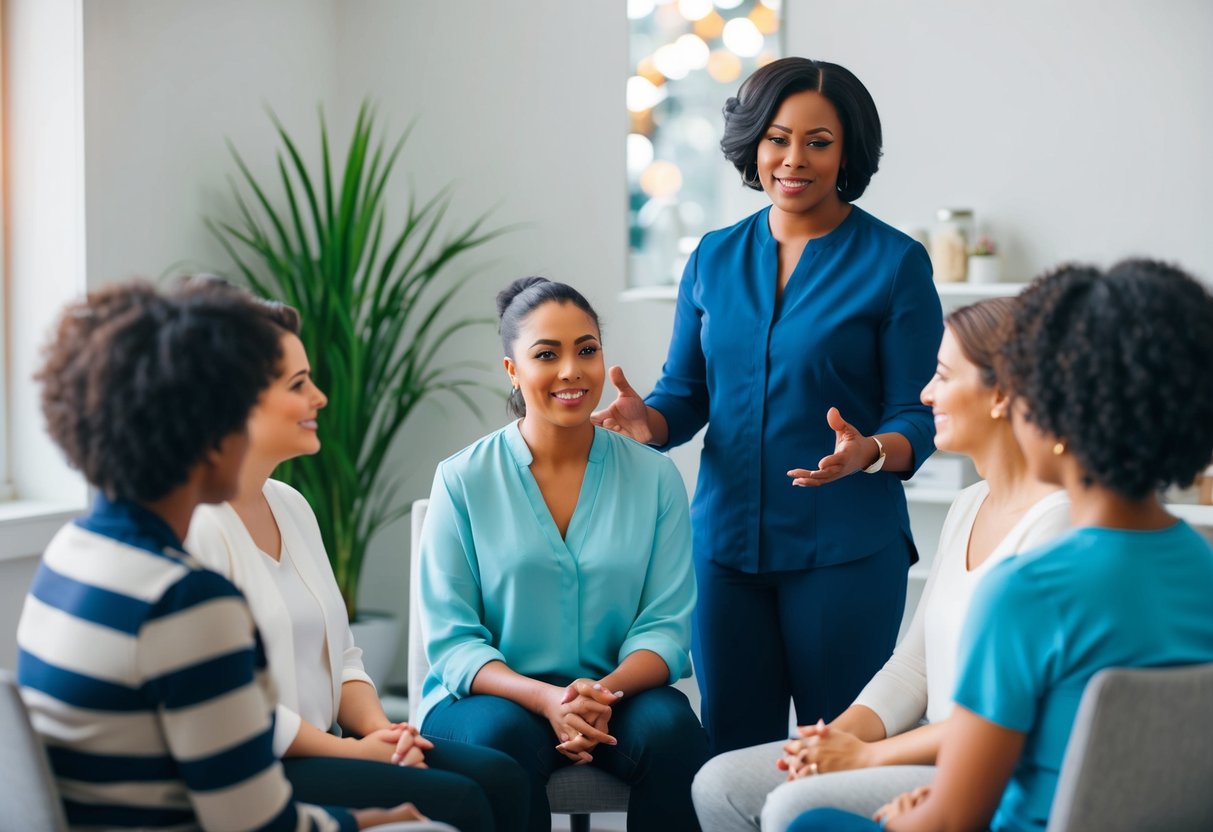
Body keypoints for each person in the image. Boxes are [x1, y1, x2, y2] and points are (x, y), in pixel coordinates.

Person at [594, 56, 943, 754]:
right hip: (724, 551)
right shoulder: (712, 257)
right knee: (728, 753)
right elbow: (684, 395)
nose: (793, 159)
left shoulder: (894, 262)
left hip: (843, 553)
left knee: (833, 755)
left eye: (818, 142)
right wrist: (647, 424)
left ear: (847, 151)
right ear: (753, 142)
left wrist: (870, 451)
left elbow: (919, 412)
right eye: (777, 138)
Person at [788, 259, 1213, 832]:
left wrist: (910, 812)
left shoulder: (1030, 589)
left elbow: (954, 819)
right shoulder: (1201, 566)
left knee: (803, 821)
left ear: (1060, 408)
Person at [15, 278, 429, 831]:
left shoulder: (71, 552)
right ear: (209, 429)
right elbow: (255, 825)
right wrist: (366, 823)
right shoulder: (183, 600)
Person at [692, 298, 1070, 831]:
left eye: (942, 375)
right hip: (928, 746)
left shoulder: (1057, 524)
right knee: (719, 782)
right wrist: (833, 739)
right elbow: (912, 668)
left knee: (791, 805)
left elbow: (1010, 715)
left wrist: (869, 757)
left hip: (990, 768)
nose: (925, 394)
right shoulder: (969, 505)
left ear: (1002, 393)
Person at [186, 300, 529, 832]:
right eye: (298, 384)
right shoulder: (200, 528)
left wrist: (382, 733)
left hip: (331, 745)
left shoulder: (290, 505)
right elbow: (238, 708)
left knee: (504, 777)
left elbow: (344, 659)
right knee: (460, 799)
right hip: (263, 765)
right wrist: (349, 753)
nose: (319, 397)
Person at [416, 277, 708, 832]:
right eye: (547, 354)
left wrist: (597, 694)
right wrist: (547, 699)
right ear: (512, 371)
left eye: (587, 350)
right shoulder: (462, 480)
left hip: (617, 692)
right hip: (495, 698)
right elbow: (453, 641)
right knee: (501, 739)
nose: (572, 369)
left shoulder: (655, 477)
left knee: (672, 733)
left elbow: (665, 628)